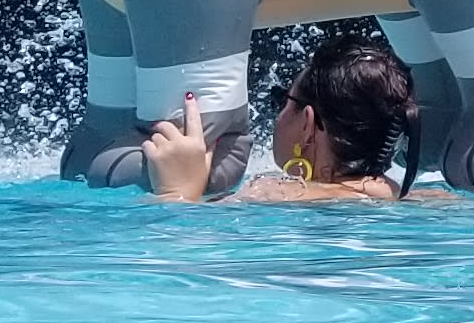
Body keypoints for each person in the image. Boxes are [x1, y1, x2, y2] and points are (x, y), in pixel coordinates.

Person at [143, 27, 420, 204]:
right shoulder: (418, 197)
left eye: (282, 101)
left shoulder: (270, 197)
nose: (278, 115)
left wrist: (177, 193)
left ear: (308, 123)